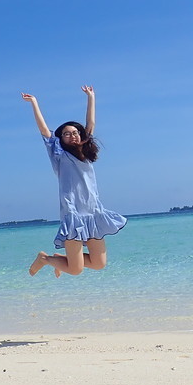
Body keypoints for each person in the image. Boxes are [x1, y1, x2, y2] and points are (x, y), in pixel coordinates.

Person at [21, 86, 126, 277]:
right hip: (73, 214)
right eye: (67, 133)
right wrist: (34, 103)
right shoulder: (59, 155)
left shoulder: (85, 153)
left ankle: (58, 260)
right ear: (61, 138)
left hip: (94, 212)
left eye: (75, 132)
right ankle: (45, 259)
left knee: (99, 263)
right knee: (75, 270)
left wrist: (91, 97)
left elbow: (90, 123)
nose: (73, 135)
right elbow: (44, 130)